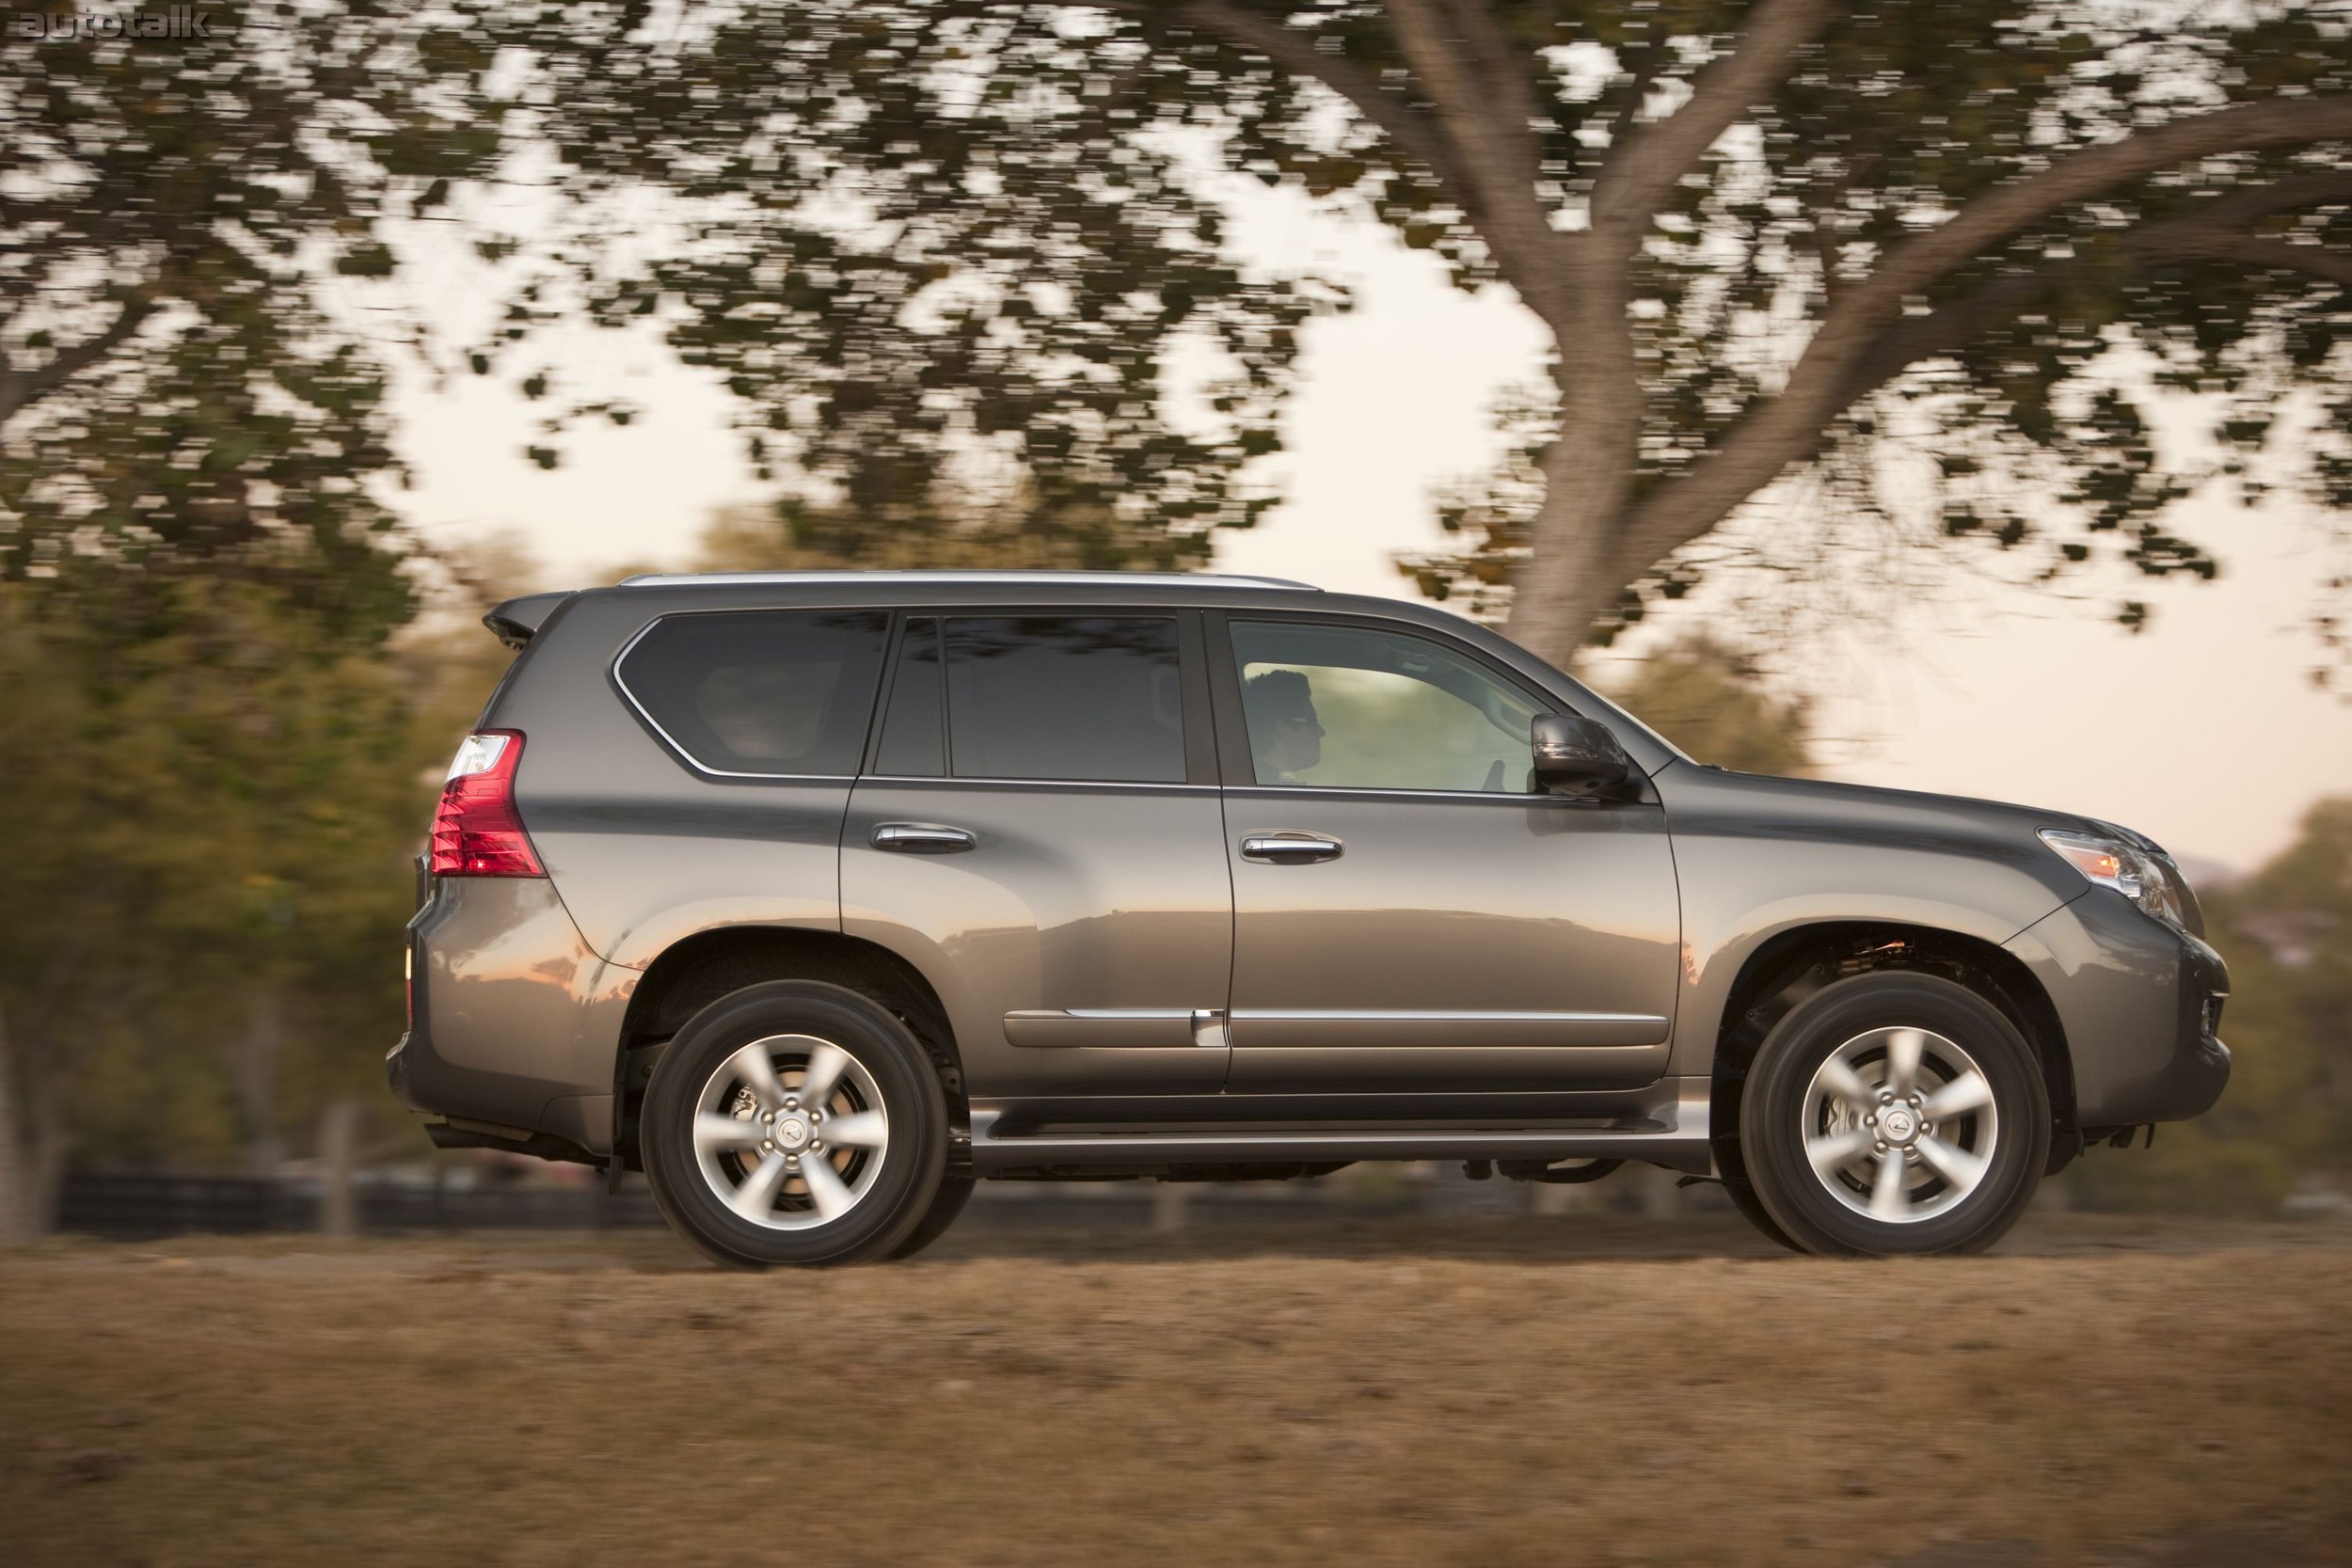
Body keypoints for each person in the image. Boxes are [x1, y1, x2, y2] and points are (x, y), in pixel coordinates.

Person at [1242, 667, 1325, 784]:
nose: (1322, 732)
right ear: (1283, 730)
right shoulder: (1271, 791)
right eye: (1312, 721)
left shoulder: (1258, 785)